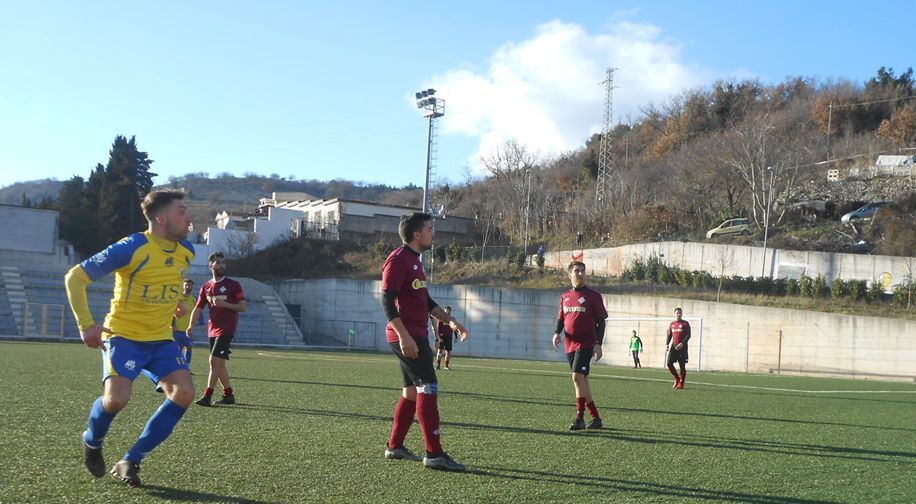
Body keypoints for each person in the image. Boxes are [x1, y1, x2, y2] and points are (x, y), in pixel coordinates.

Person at [65, 190, 195, 487]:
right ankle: (92, 441)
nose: (188, 218)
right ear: (161, 218)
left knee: (184, 394)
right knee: (116, 399)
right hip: (123, 337)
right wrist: (86, 325)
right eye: (181, 211)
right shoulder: (133, 247)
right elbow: (75, 277)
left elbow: (166, 280)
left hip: (161, 340)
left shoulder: (187, 251)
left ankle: (131, 459)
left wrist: (174, 300)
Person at [382, 212, 469, 471]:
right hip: (407, 334)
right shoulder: (398, 259)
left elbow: (426, 301)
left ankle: (394, 446)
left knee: (411, 391)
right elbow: (387, 301)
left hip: (413, 333)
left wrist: (450, 321)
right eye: (430, 229)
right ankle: (434, 454)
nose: (434, 233)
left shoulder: (415, 261)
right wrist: (404, 335)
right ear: (417, 234)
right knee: (428, 386)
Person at [552, 261, 608, 431]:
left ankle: (579, 418)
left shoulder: (593, 296)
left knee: (576, 377)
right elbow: (561, 318)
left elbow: (601, 322)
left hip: (586, 343)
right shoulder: (565, 297)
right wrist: (556, 333)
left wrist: (598, 344)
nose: (580, 274)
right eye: (576, 271)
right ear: (570, 275)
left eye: (583, 271)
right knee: (582, 380)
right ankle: (596, 418)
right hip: (570, 344)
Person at [190, 252, 247, 406]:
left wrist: (226, 305)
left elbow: (243, 307)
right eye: (218, 262)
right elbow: (198, 308)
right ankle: (228, 395)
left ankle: (207, 395)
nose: (221, 265)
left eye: (223, 262)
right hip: (212, 328)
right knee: (218, 364)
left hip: (227, 328)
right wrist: (191, 325)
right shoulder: (206, 287)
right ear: (211, 266)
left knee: (214, 360)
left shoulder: (233, 285)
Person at [172, 278, 197, 366]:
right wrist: (172, 324)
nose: (187, 286)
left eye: (189, 285)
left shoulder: (194, 300)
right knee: (177, 349)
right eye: (186, 285)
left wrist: (193, 325)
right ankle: (176, 366)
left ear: (192, 287)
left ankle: (187, 367)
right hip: (177, 329)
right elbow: (171, 311)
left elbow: (196, 312)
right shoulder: (178, 298)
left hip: (187, 329)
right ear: (183, 286)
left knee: (189, 348)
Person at [666, 307, 691, 389]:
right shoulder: (672, 324)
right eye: (677, 313)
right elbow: (669, 335)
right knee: (669, 363)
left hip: (682, 348)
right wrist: (667, 344)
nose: (678, 314)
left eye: (680, 313)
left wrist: (682, 344)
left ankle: (681, 383)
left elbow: (688, 335)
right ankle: (677, 378)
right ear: (674, 314)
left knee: (682, 366)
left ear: (682, 314)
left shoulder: (685, 324)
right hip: (673, 347)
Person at [435, 306, 457, 370]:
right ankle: (438, 366)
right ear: (444, 311)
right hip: (442, 337)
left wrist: (456, 337)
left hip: (449, 337)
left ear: (451, 311)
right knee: (440, 351)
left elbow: (455, 328)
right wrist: (440, 337)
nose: (448, 311)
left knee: (448, 352)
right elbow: (438, 329)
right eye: (446, 310)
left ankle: (446, 366)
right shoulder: (441, 318)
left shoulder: (452, 319)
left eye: (449, 310)